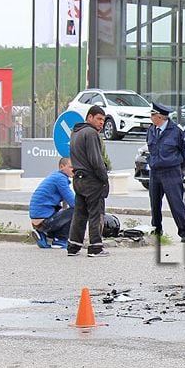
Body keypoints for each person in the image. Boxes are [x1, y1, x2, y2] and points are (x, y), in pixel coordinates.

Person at [67, 105, 111, 257]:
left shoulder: (75, 132)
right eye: (98, 119)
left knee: (79, 213)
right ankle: (95, 248)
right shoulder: (91, 133)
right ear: (89, 117)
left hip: (78, 179)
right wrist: (104, 178)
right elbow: (96, 161)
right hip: (92, 180)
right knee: (95, 213)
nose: (101, 123)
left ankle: (73, 246)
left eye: (103, 121)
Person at [146, 102, 185, 242]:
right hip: (155, 172)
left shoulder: (177, 131)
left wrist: (178, 167)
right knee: (154, 204)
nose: (151, 118)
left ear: (159, 117)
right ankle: (156, 231)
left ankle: (184, 233)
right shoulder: (152, 129)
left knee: (176, 203)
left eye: (152, 115)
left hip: (171, 172)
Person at [29, 157, 76, 249]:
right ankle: (60, 240)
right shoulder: (60, 179)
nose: (74, 170)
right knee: (76, 210)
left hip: (38, 220)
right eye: (71, 167)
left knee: (66, 212)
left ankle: (42, 234)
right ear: (62, 167)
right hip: (45, 221)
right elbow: (74, 203)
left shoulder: (55, 177)